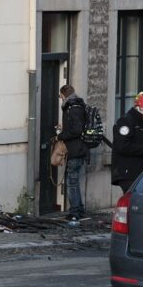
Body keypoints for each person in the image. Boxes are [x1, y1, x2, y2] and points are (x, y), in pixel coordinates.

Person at [57, 84, 88, 220]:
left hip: (75, 149)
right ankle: (79, 209)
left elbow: (76, 130)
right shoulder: (78, 106)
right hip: (79, 149)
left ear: (63, 95)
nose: (60, 98)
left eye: (60, 96)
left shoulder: (72, 108)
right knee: (74, 181)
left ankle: (74, 212)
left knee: (72, 182)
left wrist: (61, 135)